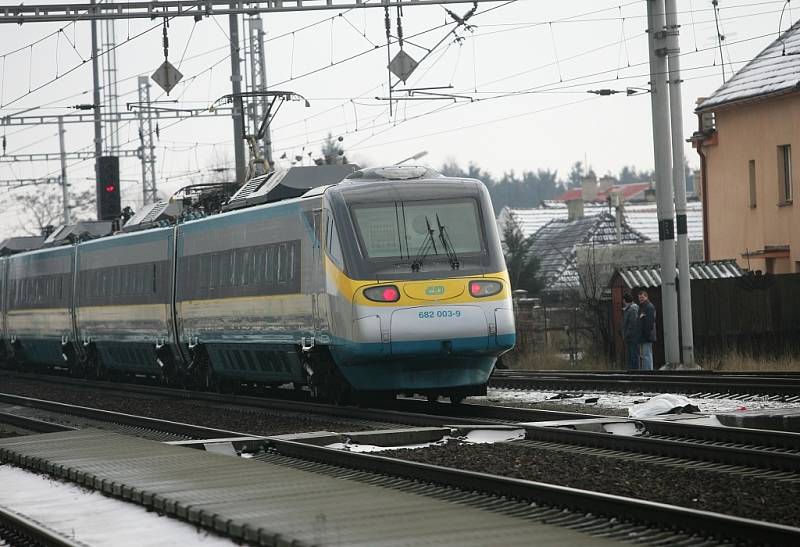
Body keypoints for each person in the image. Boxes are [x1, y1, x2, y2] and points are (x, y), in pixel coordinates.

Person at [638, 289, 657, 371]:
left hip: (646, 335)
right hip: (642, 335)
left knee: (647, 355)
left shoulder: (649, 307)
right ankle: (646, 371)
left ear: (646, 297)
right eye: (639, 298)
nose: (641, 299)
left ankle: (648, 372)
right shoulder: (642, 307)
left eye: (642, 297)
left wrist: (646, 333)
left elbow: (650, 322)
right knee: (644, 355)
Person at [622, 292, 640, 370]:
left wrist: (626, 334)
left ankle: (635, 373)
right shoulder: (629, 309)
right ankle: (631, 372)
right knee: (631, 356)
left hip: (632, 337)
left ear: (625, 300)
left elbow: (632, 324)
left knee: (633, 355)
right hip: (630, 337)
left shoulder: (632, 309)